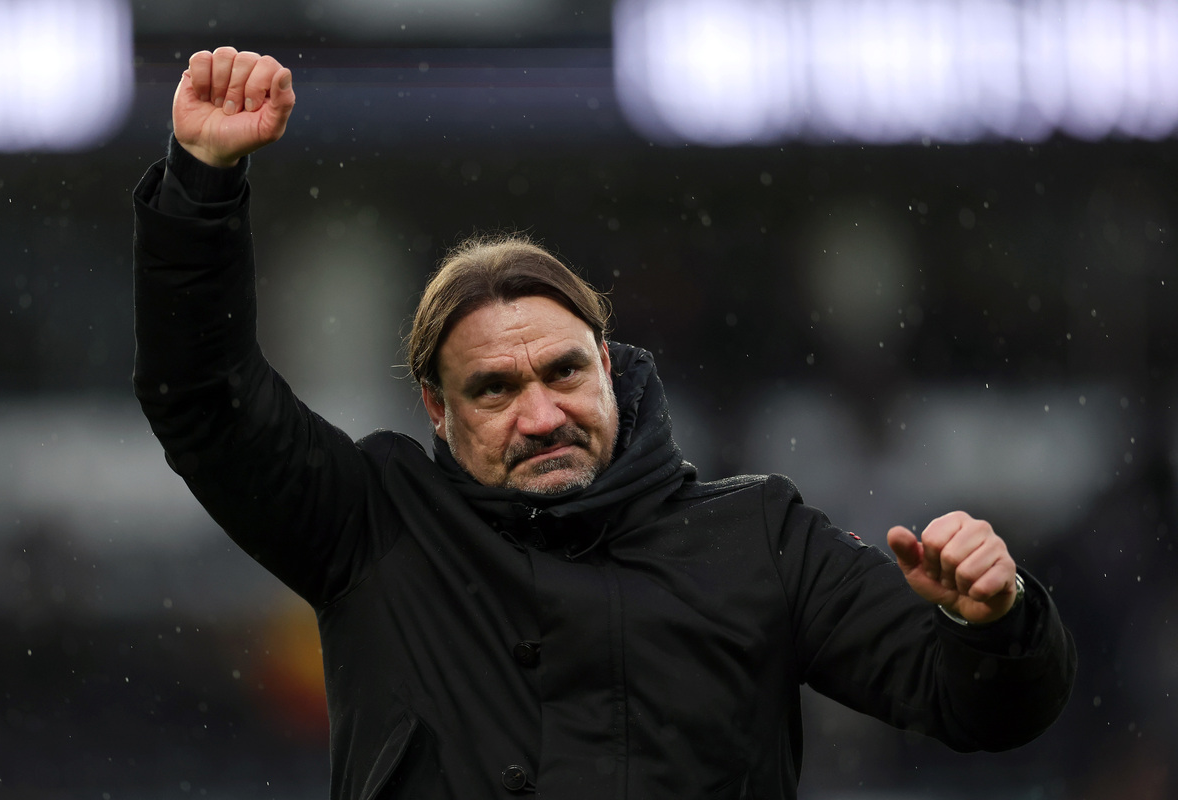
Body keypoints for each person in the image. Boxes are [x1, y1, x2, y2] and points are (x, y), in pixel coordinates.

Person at [133, 48, 1076, 799]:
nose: (542, 416)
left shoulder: (760, 537)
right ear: (437, 411)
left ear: (611, 369)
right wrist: (201, 185)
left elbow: (981, 705)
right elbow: (203, 400)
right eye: (495, 390)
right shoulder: (374, 522)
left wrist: (995, 619)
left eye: (564, 373)